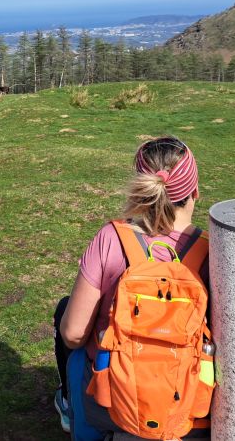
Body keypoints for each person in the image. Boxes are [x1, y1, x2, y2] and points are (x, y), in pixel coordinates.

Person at [53, 135, 210, 439]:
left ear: (141, 190)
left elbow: (73, 334)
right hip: (187, 405)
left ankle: (73, 411)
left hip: (111, 404)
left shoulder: (112, 238)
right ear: (195, 191)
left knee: (69, 327)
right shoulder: (212, 251)